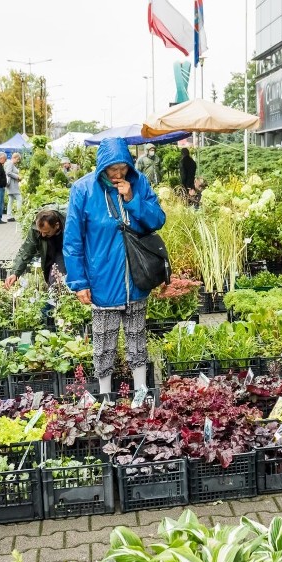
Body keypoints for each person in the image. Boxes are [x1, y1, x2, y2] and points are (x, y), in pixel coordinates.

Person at [64, 137, 166, 394]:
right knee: (103, 342)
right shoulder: (83, 189)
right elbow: (73, 240)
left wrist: (132, 198)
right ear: (102, 167)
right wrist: (79, 282)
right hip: (102, 279)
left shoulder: (139, 182)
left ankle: (141, 391)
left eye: (123, 168)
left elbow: (157, 219)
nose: (118, 173)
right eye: (113, 169)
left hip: (136, 276)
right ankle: (105, 395)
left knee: (137, 338)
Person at [4, 206, 68, 289]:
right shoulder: (37, 227)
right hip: (50, 252)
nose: (42, 235)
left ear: (57, 225)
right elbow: (26, 250)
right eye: (40, 231)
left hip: (67, 251)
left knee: (59, 280)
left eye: (47, 232)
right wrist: (15, 273)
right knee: (53, 280)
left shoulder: (69, 223)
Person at [5, 152, 22, 222]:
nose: (18, 161)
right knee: (20, 199)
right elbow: (8, 172)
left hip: (11, 185)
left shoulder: (10, 163)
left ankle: (9, 216)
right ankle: (19, 215)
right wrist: (17, 177)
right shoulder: (10, 163)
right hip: (12, 185)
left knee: (11, 200)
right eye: (17, 159)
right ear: (14, 157)